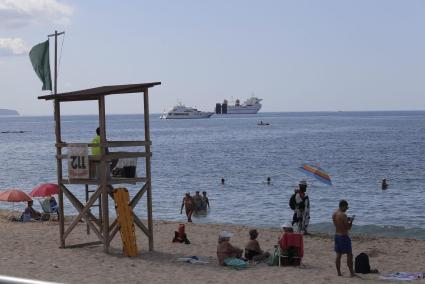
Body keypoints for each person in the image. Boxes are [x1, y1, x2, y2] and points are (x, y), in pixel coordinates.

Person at [332, 199, 355, 277]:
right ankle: (352, 273)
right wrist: (351, 221)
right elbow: (348, 227)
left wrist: (346, 220)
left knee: (338, 255)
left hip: (337, 236)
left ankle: (339, 273)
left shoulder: (334, 214)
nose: (346, 209)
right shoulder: (343, 215)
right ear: (342, 206)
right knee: (349, 254)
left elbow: (337, 224)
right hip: (344, 236)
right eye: (346, 207)